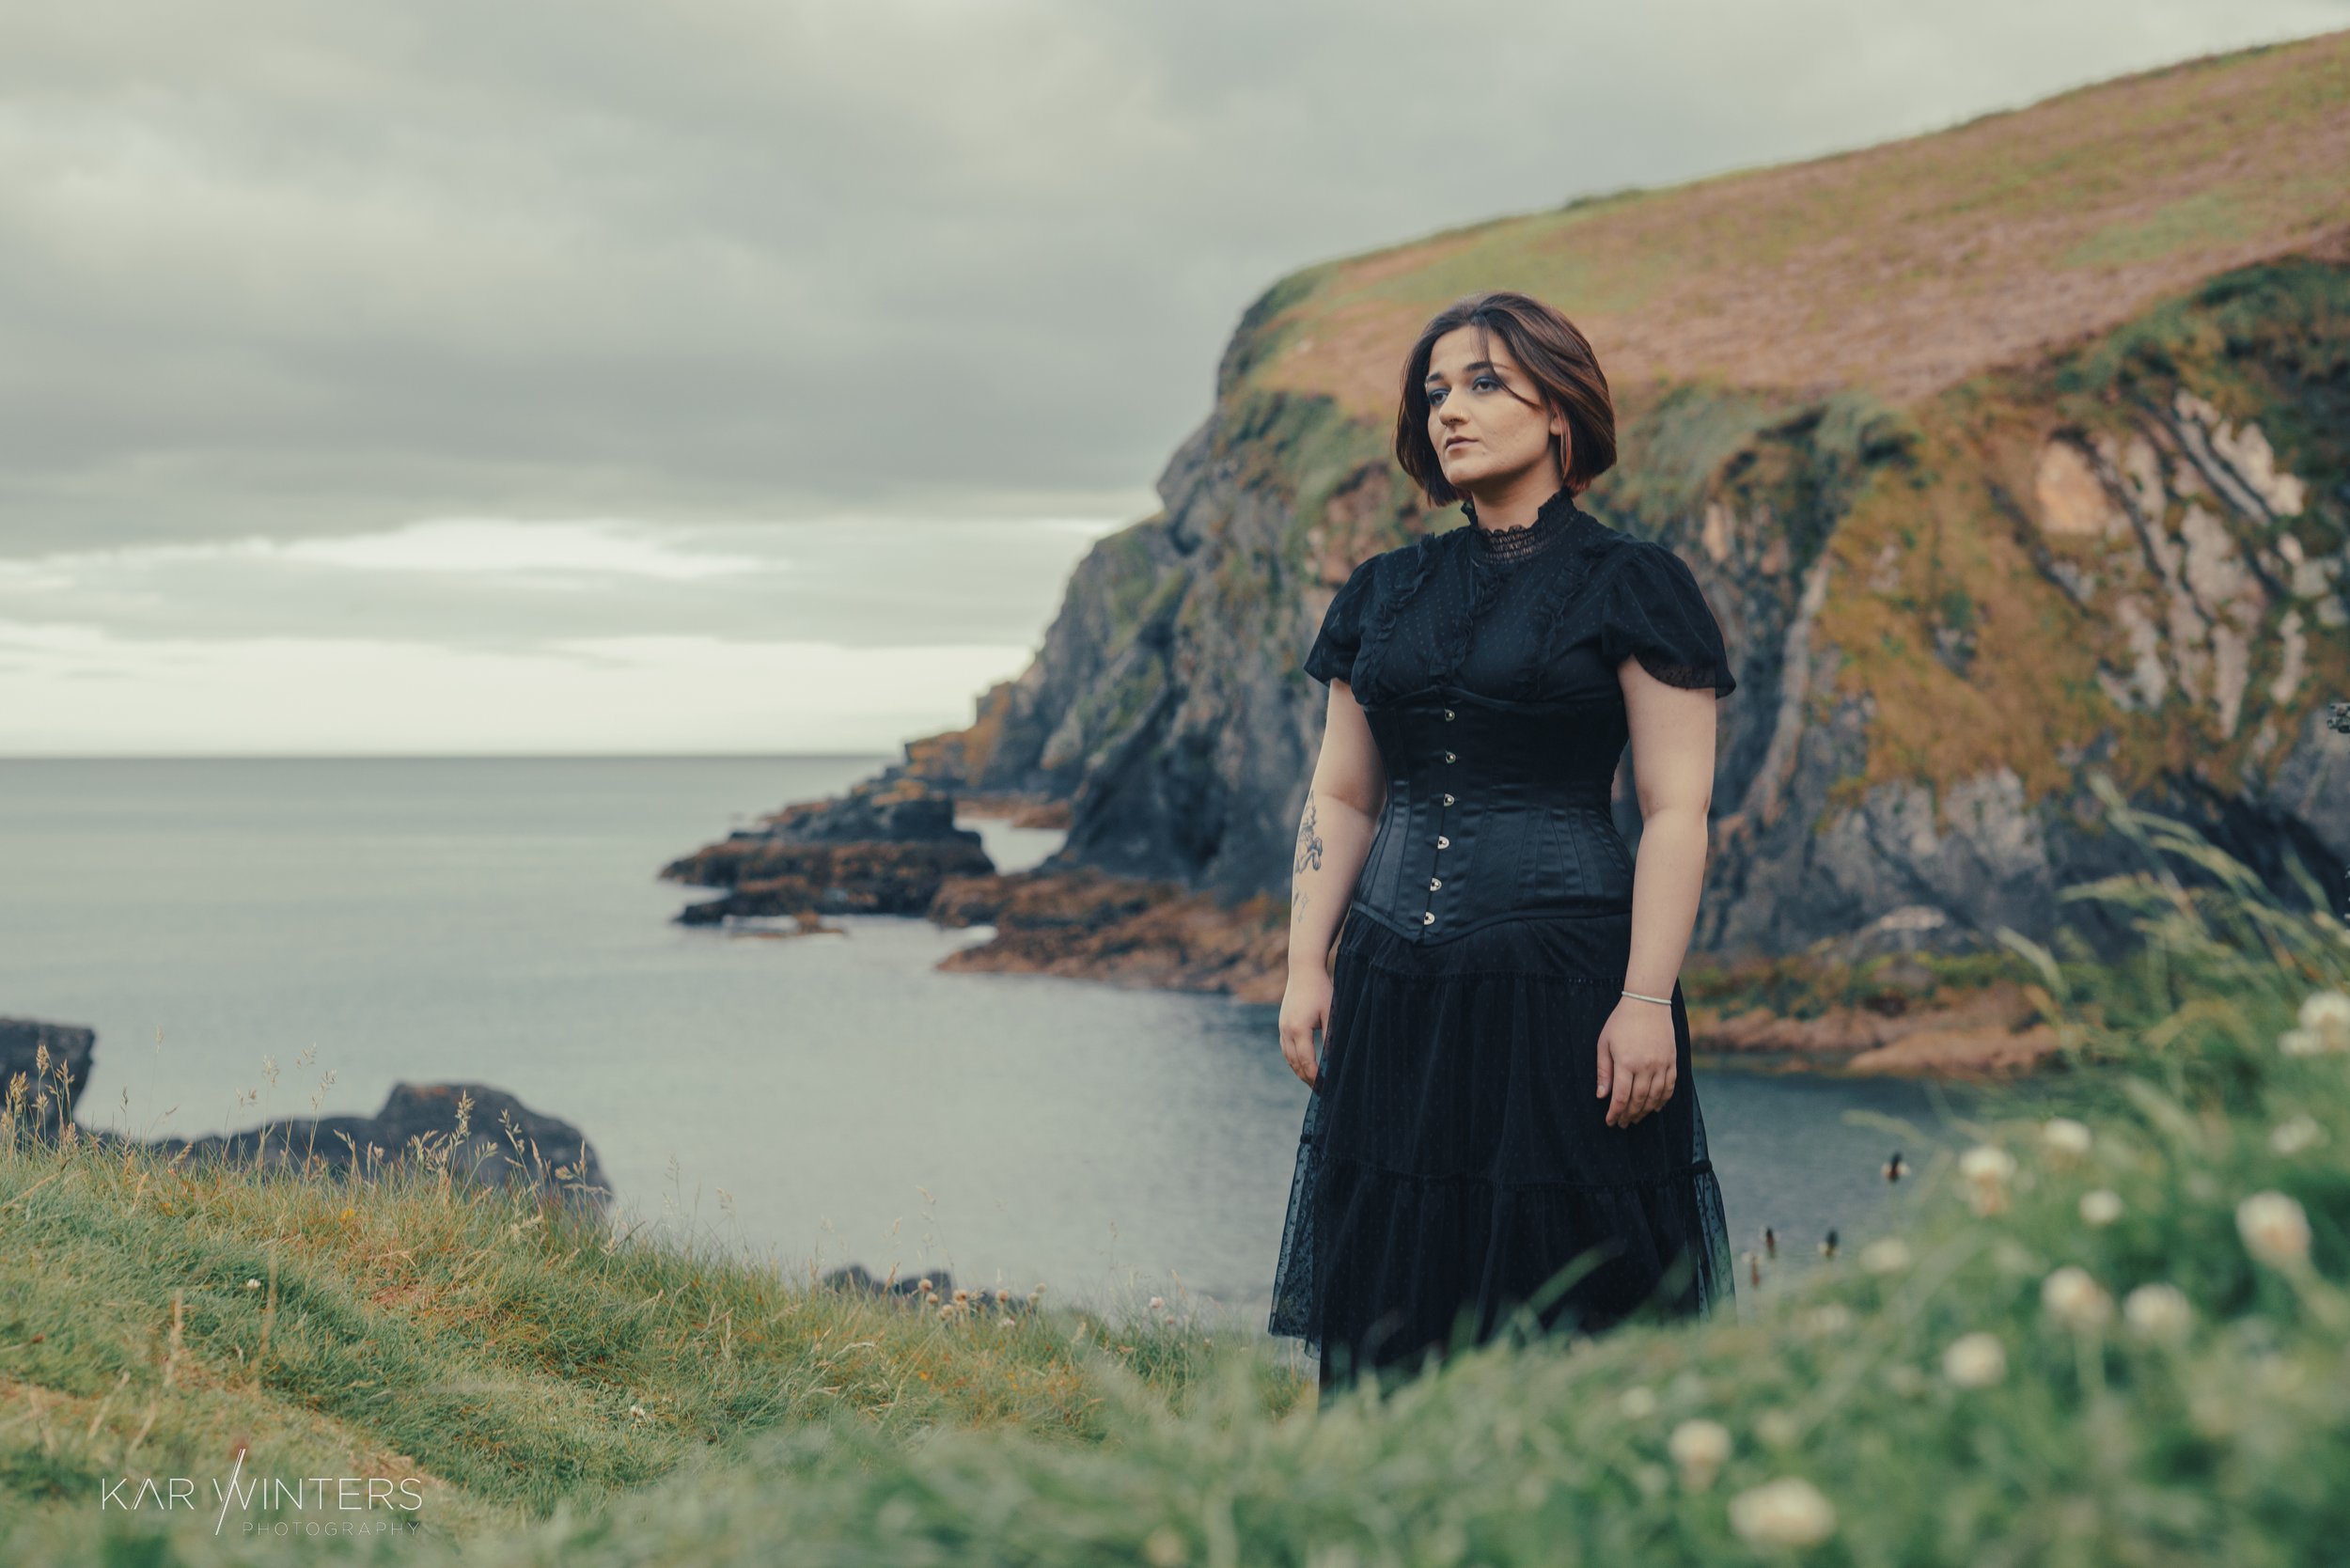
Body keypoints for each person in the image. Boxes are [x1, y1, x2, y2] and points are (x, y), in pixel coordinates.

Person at [1267, 290, 1738, 1397]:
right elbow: (1341, 794)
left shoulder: (1632, 584)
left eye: (1483, 384)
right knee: (1390, 1294)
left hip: (1559, 982)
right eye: (1434, 390)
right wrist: (1303, 966)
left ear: (1559, 414)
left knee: (1567, 1291)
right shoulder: (1385, 589)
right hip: (1391, 980)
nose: (1449, 412)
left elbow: (1676, 808)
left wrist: (1647, 999)